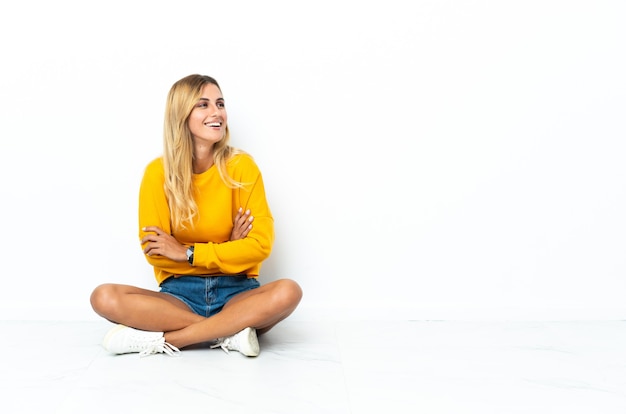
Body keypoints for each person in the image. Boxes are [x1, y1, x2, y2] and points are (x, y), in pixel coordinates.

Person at [90, 74, 303, 357]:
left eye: (220, 103)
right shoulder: (158, 173)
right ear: (182, 115)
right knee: (103, 297)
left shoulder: (242, 167)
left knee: (289, 291)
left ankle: (170, 340)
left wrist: (187, 253)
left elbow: (260, 246)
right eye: (203, 105)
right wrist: (229, 247)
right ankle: (231, 332)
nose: (217, 113)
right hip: (179, 296)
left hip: (238, 292)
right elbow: (156, 253)